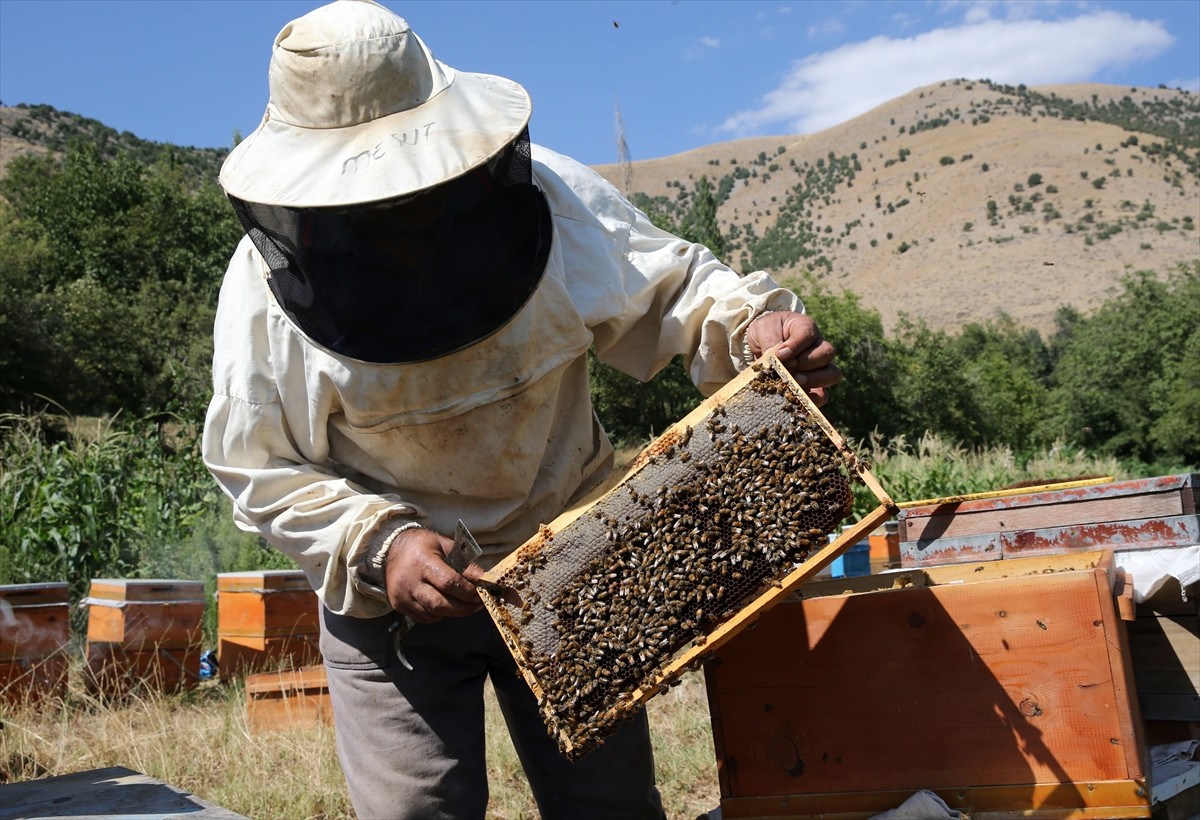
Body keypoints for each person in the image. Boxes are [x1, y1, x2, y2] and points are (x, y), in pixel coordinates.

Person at [202, 0, 840, 817]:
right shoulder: (261, 299)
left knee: (607, 810)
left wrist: (749, 327)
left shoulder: (548, 201)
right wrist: (379, 543)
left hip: (571, 567)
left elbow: (670, 290)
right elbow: (257, 463)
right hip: (391, 607)